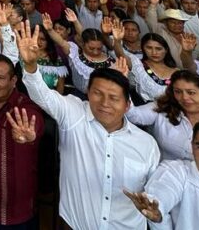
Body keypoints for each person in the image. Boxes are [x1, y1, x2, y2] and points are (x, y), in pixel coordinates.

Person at [18, 22, 161, 230]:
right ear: (87, 93)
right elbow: (43, 95)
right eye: (97, 93)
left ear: (127, 104)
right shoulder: (74, 113)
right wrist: (31, 67)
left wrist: (157, 212)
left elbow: (155, 193)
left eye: (113, 97)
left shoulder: (147, 144)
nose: (104, 103)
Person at [0, 53, 44, 229]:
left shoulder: (24, 107)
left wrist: (30, 135)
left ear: (13, 81)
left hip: (14, 212)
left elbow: (35, 123)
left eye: (0, 78)